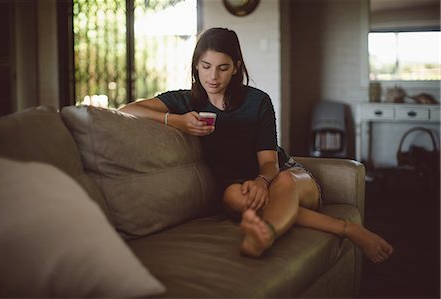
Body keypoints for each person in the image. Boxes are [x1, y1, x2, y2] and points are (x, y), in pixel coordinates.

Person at [120, 27, 393, 262]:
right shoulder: (186, 101)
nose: (213, 76)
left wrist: (263, 181)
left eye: (223, 67)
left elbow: (269, 161)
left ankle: (268, 236)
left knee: (283, 184)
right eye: (205, 67)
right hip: (239, 187)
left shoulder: (257, 101)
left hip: (282, 176)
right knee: (231, 197)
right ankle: (343, 228)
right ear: (196, 66)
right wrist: (176, 121)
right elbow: (127, 109)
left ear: (236, 67)